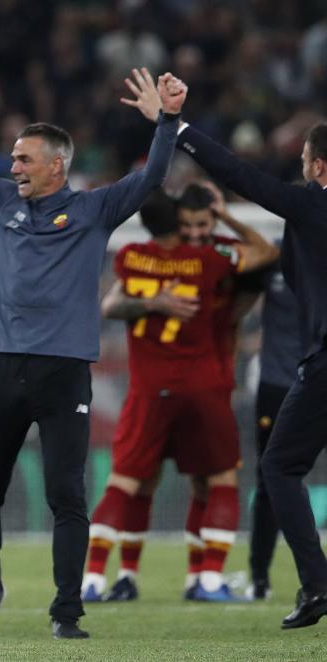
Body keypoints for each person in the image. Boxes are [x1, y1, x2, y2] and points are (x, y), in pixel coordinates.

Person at [0, 59, 184, 639]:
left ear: (56, 166)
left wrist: (168, 121)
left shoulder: (95, 209)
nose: (12, 165)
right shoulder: (0, 201)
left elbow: (151, 180)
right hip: (1, 368)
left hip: (65, 373)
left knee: (67, 497)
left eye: (24, 158)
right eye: (14, 158)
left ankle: (66, 612)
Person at [160, 72, 327, 629]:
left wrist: (177, 126)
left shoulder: (311, 205)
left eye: (305, 160)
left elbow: (240, 175)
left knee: (280, 467)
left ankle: (317, 586)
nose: (302, 167)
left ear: (318, 167)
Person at [81, 188, 275, 603]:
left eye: (202, 225)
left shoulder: (130, 256)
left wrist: (149, 299)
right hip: (202, 382)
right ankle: (199, 579)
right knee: (207, 480)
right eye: (187, 224)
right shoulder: (210, 259)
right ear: (177, 221)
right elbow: (266, 254)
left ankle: (97, 578)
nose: (194, 231)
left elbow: (112, 303)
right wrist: (232, 219)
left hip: (154, 386)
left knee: (135, 480)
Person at [246, 245, 306, 601]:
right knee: (268, 479)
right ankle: (259, 577)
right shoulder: (274, 259)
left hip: (315, 383)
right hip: (277, 386)